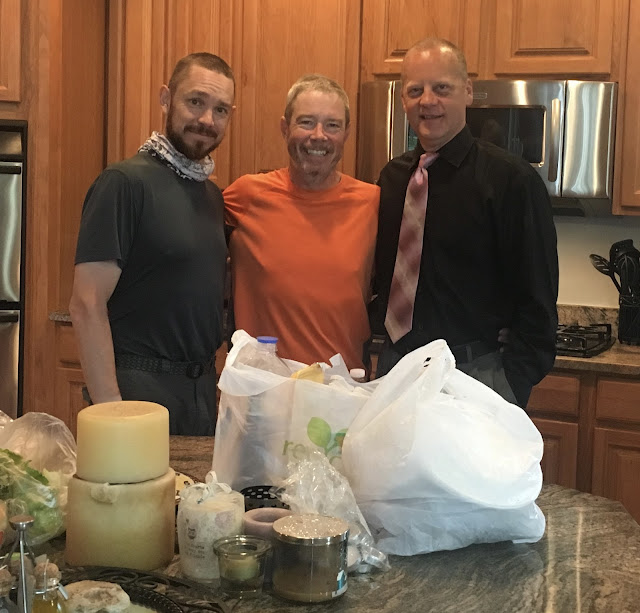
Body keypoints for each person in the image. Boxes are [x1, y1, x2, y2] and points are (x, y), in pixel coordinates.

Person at [371, 38, 558, 408]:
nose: (428, 101)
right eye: (415, 90)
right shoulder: (392, 180)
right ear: (403, 99)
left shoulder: (511, 181)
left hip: (476, 375)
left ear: (468, 92)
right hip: (396, 371)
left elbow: (537, 300)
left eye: (442, 88)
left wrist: (509, 384)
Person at [69, 52, 235, 435]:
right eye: (195, 101)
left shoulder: (212, 196)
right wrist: (111, 412)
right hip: (137, 389)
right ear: (166, 99)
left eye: (220, 110)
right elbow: (86, 304)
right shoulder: (124, 184)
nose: (207, 120)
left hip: (200, 393)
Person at [224, 74, 380, 371]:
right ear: (285, 128)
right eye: (306, 122)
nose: (319, 136)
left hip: (343, 384)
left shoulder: (373, 203)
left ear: (346, 133)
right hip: (261, 385)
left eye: (332, 125)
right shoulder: (245, 196)